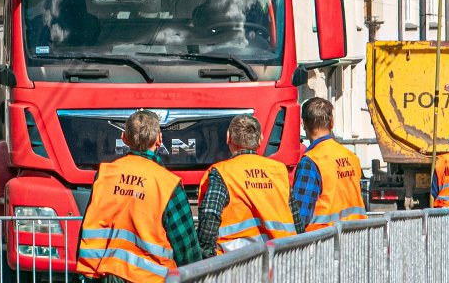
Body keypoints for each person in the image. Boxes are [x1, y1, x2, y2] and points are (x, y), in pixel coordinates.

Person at [77, 110, 202, 282]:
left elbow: (88, 224)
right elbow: (186, 247)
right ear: (159, 138)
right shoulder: (167, 183)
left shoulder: (105, 174)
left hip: (103, 274)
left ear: (124, 138)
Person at [196, 115, 294, 256]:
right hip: (280, 259)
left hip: (234, 264)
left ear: (228, 137)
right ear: (260, 139)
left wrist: (206, 255)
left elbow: (210, 214)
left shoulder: (222, 172)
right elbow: (295, 218)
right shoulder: (279, 171)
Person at [290, 98, 364, 233]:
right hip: (356, 238)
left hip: (324, 243)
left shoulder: (311, 161)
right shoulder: (351, 157)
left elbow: (300, 216)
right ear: (332, 122)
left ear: (303, 123)